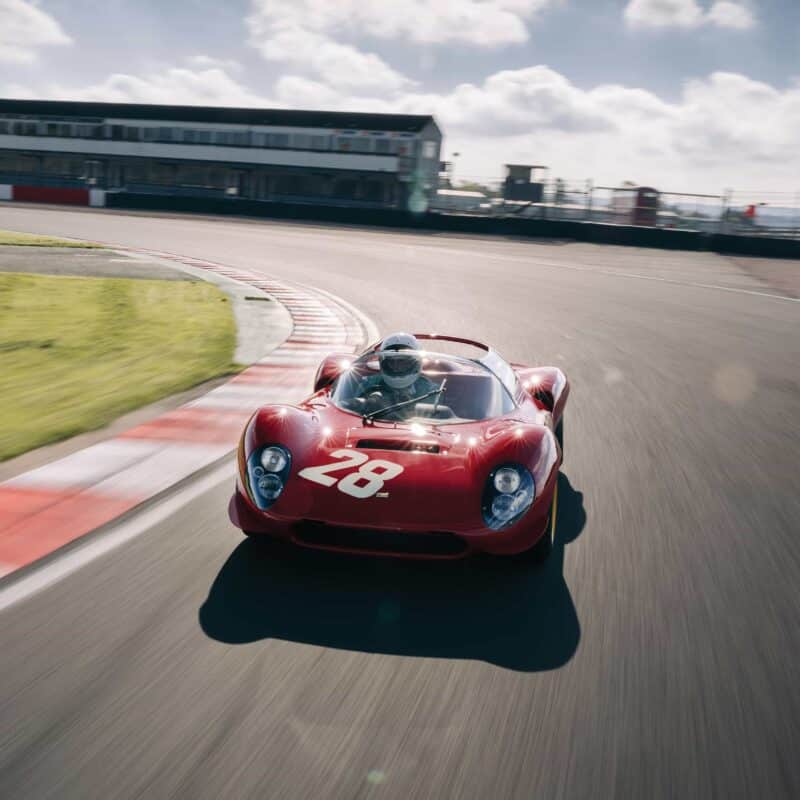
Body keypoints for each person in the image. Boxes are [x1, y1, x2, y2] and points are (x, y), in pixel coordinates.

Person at [361, 333, 440, 418]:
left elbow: (432, 420)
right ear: (383, 363)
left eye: (403, 362)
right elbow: (350, 406)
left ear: (416, 363)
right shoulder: (368, 383)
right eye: (392, 362)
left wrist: (411, 408)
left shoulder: (432, 391)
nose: (397, 368)